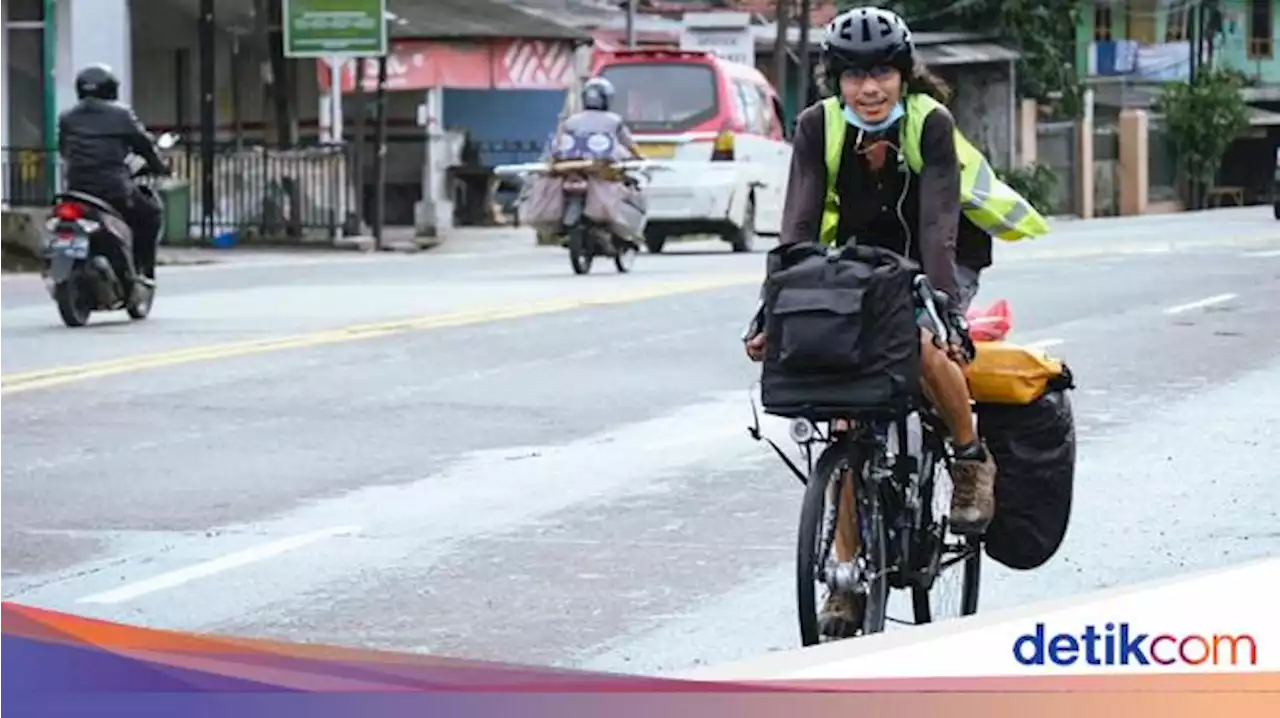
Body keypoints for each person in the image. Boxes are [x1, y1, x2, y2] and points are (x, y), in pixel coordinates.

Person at [743, 6, 1015, 637]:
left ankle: (971, 458)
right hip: (857, 261)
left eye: (883, 73)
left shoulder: (931, 124)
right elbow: (799, 225)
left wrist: (944, 305)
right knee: (842, 400)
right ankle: (846, 579)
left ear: (903, 74)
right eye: (854, 75)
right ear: (834, 80)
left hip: (937, 256)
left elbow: (940, 223)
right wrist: (773, 303)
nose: (869, 88)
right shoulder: (818, 127)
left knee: (917, 343)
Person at [57, 64, 169, 287]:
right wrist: (159, 166)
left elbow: (63, 150)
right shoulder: (121, 114)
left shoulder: (67, 117)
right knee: (151, 213)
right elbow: (144, 146)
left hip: (76, 190)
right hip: (114, 190)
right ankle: (143, 270)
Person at [554, 77, 645, 161]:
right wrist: (639, 156)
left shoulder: (571, 121)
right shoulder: (615, 120)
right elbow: (629, 144)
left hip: (575, 161)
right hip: (607, 162)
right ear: (607, 98)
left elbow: (560, 145)